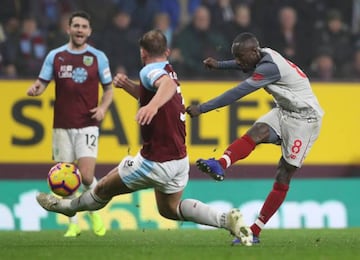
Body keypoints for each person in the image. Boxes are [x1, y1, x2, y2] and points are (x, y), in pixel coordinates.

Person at [36, 29, 253, 246]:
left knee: (102, 189)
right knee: (170, 209)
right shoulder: (167, 68)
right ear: (167, 51)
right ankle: (227, 220)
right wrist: (129, 87)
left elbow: (164, 85)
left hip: (155, 162)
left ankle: (65, 208)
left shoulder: (150, 70)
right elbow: (157, 88)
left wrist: (152, 106)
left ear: (142, 52)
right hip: (178, 160)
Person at [186, 32, 324, 244]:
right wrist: (220, 65)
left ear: (253, 51)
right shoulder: (262, 54)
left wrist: (203, 108)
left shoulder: (269, 68)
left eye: (241, 58)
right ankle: (220, 164)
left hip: (305, 120)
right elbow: (242, 63)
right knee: (257, 131)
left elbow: (237, 93)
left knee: (283, 174)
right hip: (285, 110)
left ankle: (255, 230)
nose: (240, 62)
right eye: (237, 58)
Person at [27, 11, 113, 237]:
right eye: (76, 25)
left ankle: (94, 213)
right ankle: (73, 223)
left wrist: (103, 108)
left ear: (89, 31)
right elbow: (42, 82)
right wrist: (36, 89)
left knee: (85, 176)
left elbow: (109, 89)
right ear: (68, 28)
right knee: (65, 177)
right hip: (61, 125)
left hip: (87, 124)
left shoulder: (98, 57)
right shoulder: (55, 56)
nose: (80, 30)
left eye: (84, 26)